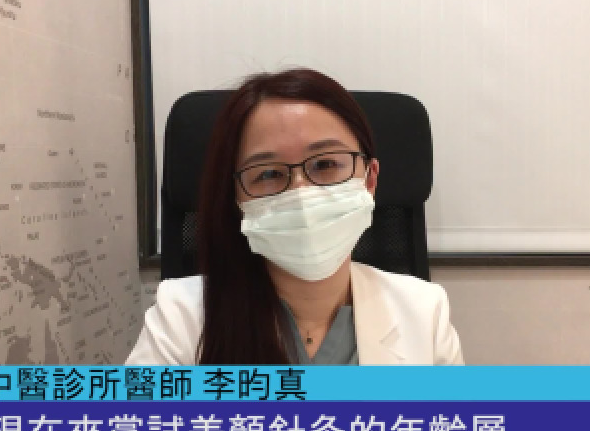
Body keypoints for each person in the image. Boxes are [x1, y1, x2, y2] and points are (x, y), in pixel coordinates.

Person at [126, 68, 463, 365]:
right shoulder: (181, 317)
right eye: (269, 173)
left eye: (325, 164)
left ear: (370, 180)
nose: (301, 192)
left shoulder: (424, 311)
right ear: (237, 199)